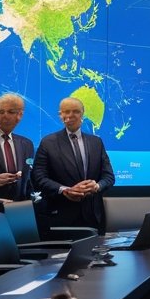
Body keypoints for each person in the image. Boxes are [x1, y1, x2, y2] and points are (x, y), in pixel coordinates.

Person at [33, 96, 114, 232]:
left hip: (93, 216)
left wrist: (97, 186)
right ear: (60, 115)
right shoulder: (48, 142)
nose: (71, 115)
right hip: (61, 215)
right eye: (66, 111)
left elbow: (109, 177)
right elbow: (38, 177)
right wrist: (64, 190)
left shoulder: (96, 142)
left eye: (75, 111)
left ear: (82, 114)